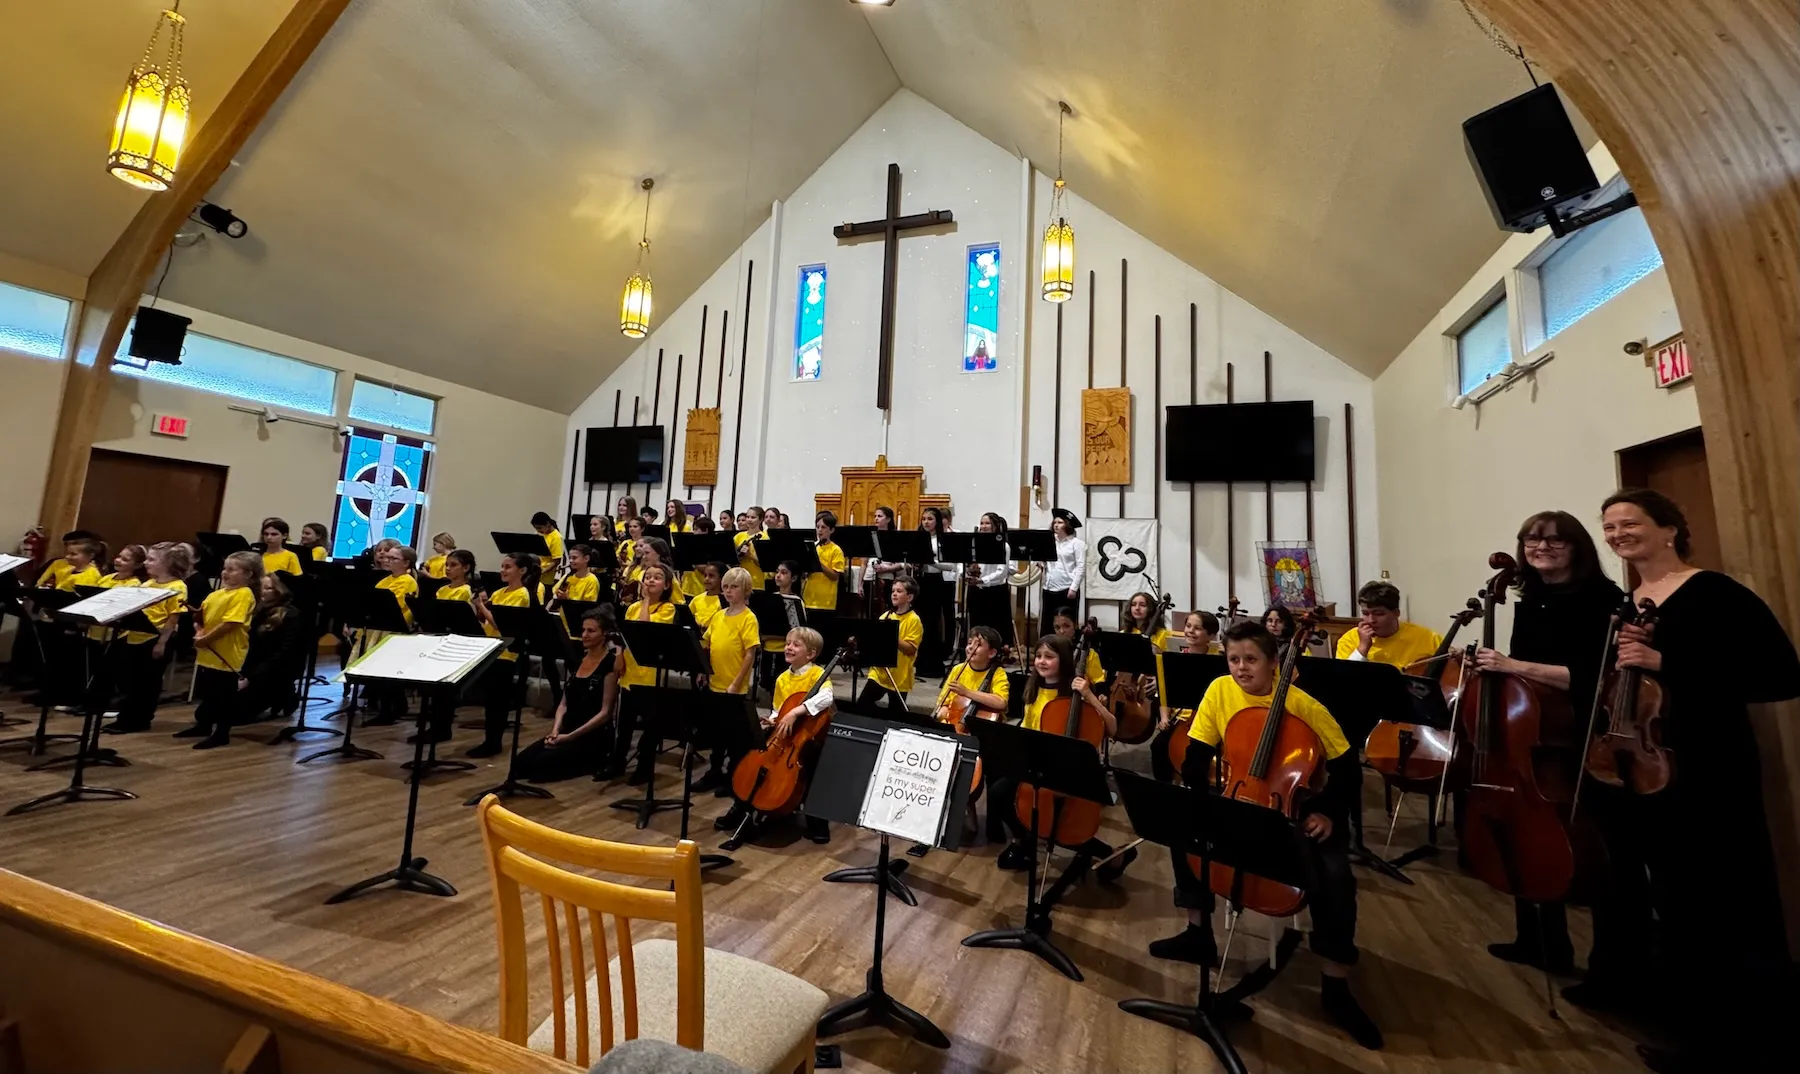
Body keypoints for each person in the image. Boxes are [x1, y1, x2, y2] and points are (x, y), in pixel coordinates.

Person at [1582, 489, 1800, 1071]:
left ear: (1671, 530)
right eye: (1609, 526)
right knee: (1674, 902)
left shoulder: (1716, 593)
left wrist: (1666, 662)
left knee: (1720, 900)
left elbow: (1780, 675)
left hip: (1709, 767)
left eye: (1631, 523)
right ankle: (1694, 1027)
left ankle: (1738, 1040)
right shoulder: (1630, 600)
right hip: (1645, 768)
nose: (1618, 533)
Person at [1152, 619, 1381, 1049]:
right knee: (1185, 829)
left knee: (1335, 875)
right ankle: (1197, 932)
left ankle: (1335, 985)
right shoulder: (1219, 690)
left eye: (1251, 660)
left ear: (1275, 662)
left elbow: (1348, 768)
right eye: (1234, 659)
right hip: (1235, 794)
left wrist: (1329, 813)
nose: (1241, 668)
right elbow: (1198, 753)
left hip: (1292, 807)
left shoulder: (1304, 705)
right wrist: (1204, 797)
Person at [1470, 511, 1621, 977]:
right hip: (1533, 738)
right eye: (1533, 541)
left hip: (1580, 733)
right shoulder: (1530, 597)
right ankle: (1538, 941)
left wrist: (1513, 665)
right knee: (1526, 829)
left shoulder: (1603, 598)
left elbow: (1595, 675)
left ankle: (1609, 968)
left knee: (1595, 850)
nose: (1542, 548)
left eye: (1556, 541)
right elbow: (1517, 671)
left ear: (1577, 547)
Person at [995, 634, 1134, 883]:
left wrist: (1089, 695)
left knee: (1062, 822)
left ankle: (1109, 853)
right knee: (998, 794)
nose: (1042, 661)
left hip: (1066, 769)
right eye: (1038, 656)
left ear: (1064, 660)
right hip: (1035, 762)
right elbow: (1028, 726)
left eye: (1049, 656)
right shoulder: (1033, 689)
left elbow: (1112, 728)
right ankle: (1023, 840)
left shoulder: (1076, 694)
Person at [718, 626, 835, 843]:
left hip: (806, 736)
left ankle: (817, 820)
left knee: (814, 766)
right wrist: (773, 719)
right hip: (783, 734)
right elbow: (778, 708)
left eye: (796, 644)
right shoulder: (782, 678)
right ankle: (742, 806)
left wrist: (796, 712)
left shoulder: (817, 674)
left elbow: (826, 698)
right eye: (788, 643)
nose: (789, 647)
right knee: (751, 752)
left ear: (810, 654)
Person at [513, 608, 624, 783]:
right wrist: (555, 731)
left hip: (591, 737)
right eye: (583, 630)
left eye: (591, 631)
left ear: (605, 634)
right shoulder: (579, 660)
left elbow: (605, 713)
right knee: (519, 764)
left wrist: (570, 737)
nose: (584, 635)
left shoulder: (609, 665)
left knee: (539, 770)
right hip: (567, 730)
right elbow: (563, 704)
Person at [931, 625, 1010, 848]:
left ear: (992, 652)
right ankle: (958, 812)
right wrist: (944, 712)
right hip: (958, 729)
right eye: (969, 643)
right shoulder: (957, 670)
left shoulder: (997, 673)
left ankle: (992, 823)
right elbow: (941, 704)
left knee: (992, 772)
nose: (971, 648)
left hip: (987, 735)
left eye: (978, 645)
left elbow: (1001, 702)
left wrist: (967, 693)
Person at [103, 542, 190, 734]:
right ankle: (125, 716)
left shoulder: (177, 587)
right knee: (131, 680)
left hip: (156, 639)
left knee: (147, 683)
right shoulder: (149, 584)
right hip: (136, 636)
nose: (146, 563)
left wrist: (161, 643)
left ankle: (140, 719)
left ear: (169, 563)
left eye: (151, 560)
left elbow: (172, 618)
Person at [178, 550, 260, 750]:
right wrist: (199, 630)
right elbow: (202, 617)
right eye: (225, 569)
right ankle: (204, 725)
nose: (226, 573)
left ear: (248, 574)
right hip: (208, 651)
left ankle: (221, 733)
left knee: (224, 696)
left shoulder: (243, 594)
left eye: (232, 570)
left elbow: (230, 623)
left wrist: (205, 638)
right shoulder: (216, 594)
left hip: (227, 653)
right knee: (208, 691)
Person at [468, 552, 543, 758]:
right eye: (502, 566)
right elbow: (486, 620)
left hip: (506, 654)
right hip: (490, 651)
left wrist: (480, 605)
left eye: (508, 567)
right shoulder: (499, 593)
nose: (503, 570)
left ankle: (494, 743)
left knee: (497, 703)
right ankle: (489, 740)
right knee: (490, 701)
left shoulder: (522, 595)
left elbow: (502, 625)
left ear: (522, 570)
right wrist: (479, 608)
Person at [695, 566, 761, 791]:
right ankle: (714, 772)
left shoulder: (748, 618)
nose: (728, 591)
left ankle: (734, 778)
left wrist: (736, 682)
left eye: (734, 587)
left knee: (735, 738)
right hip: (715, 683)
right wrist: (704, 671)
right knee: (717, 735)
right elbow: (709, 645)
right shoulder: (718, 616)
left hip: (734, 688)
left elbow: (750, 654)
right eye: (726, 587)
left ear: (746, 590)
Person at [613, 563, 680, 782]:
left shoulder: (667, 609)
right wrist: (619, 658)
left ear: (667, 585)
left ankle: (644, 768)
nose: (650, 580)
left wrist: (647, 601)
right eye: (647, 577)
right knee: (624, 725)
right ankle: (617, 763)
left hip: (650, 677)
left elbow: (644, 630)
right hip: (629, 673)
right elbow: (624, 638)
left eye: (657, 578)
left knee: (650, 727)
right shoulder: (632, 608)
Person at [1151, 610, 1219, 782]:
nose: (1190, 631)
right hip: (1180, 720)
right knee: (1158, 745)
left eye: (1197, 628)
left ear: (1210, 635)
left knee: (1197, 756)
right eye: (1188, 626)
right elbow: (1165, 694)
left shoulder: (1217, 662)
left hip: (1206, 723)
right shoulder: (1177, 660)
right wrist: (1165, 717)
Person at [82, 544, 146, 716]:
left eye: (125, 559)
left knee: (106, 671)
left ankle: (102, 703)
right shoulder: (106, 578)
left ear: (137, 565)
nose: (118, 560)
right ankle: (88, 701)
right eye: (119, 556)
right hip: (94, 629)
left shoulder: (134, 584)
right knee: (92, 668)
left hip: (113, 634)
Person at [237, 571, 308, 723]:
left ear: (279, 590)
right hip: (255, 669)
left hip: (274, 671)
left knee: (234, 715)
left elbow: (284, 654)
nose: (262, 591)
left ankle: (284, 695)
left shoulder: (291, 615)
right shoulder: (259, 611)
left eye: (268, 588)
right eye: (262, 587)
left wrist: (250, 678)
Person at [1335, 580, 1441, 666]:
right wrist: (1363, 647)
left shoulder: (1428, 638)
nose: (1371, 620)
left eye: (1379, 614)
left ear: (1396, 613)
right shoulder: (1349, 640)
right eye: (1365, 613)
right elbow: (1344, 680)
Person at [858, 579, 923, 714]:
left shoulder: (914, 620)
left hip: (899, 675)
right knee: (863, 704)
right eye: (893, 591)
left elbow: (910, 649)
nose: (894, 594)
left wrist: (891, 635)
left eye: (899, 591)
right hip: (880, 672)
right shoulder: (885, 616)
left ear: (909, 597)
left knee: (896, 713)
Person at [966, 512, 1014, 646]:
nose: (983, 526)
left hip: (995, 592)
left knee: (994, 627)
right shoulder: (974, 545)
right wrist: (967, 573)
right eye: (981, 523)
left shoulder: (1003, 546)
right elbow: (964, 564)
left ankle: (996, 655)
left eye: (987, 523)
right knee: (976, 625)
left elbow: (1002, 572)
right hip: (976, 591)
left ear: (995, 526)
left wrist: (983, 580)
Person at [758, 560, 806, 692]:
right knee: (768, 685)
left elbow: (799, 630)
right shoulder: (769, 598)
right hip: (767, 648)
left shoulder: (797, 601)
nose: (778, 575)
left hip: (784, 651)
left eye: (784, 573)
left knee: (781, 686)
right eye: (777, 572)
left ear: (794, 578)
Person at [1040, 508, 1087, 634]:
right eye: (1055, 522)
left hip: (1066, 588)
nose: (1056, 525)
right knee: (1048, 622)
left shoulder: (1076, 544)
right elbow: (1043, 561)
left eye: (1060, 522)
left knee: (1065, 622)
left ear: (1067, 524)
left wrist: (1074, 588)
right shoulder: (1049, 541)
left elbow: (1081, 567)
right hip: (1049, 587)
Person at [804, 511, 845, 628]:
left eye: (823, 527)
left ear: (831, 530)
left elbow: (835, 576)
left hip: (825, 602)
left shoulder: (836, 550)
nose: (820, 530)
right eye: (817, 527)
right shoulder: (813, 547)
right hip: (809, 598)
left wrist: (819, 564)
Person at [862, 505, 904, 618]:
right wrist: (860, 583)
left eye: (880, 516)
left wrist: (886, 568)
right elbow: (864, 563)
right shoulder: (870, 536)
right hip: (869, 577)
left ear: (888, 519)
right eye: (875, 516)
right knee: (870, 610)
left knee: (885, 609)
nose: (876, 518)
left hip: (887, 577)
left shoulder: (895, 538)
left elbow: (901, 564)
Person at [1051, 606, 1105, 686]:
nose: (1061, 631)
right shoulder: (1050, 651)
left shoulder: (1089, 654)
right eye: (1057, 627)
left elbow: (1098, 682)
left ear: (1075, 625)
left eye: (1066, 626)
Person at [733, 506, 769, 589]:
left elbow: (766, 564)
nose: (749, 520)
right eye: (747, 517)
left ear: (760, 520)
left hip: (756, 581)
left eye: (753, 517)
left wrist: (750, 556)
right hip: (739, 579)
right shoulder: (738, 536)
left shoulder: (764, 538)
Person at [688, 562, 726, 631]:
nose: (707, 579)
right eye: (705, 575)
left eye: (711, 576)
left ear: (722, 578)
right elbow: (688, 617)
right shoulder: (697, 599)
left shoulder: (725, 601)